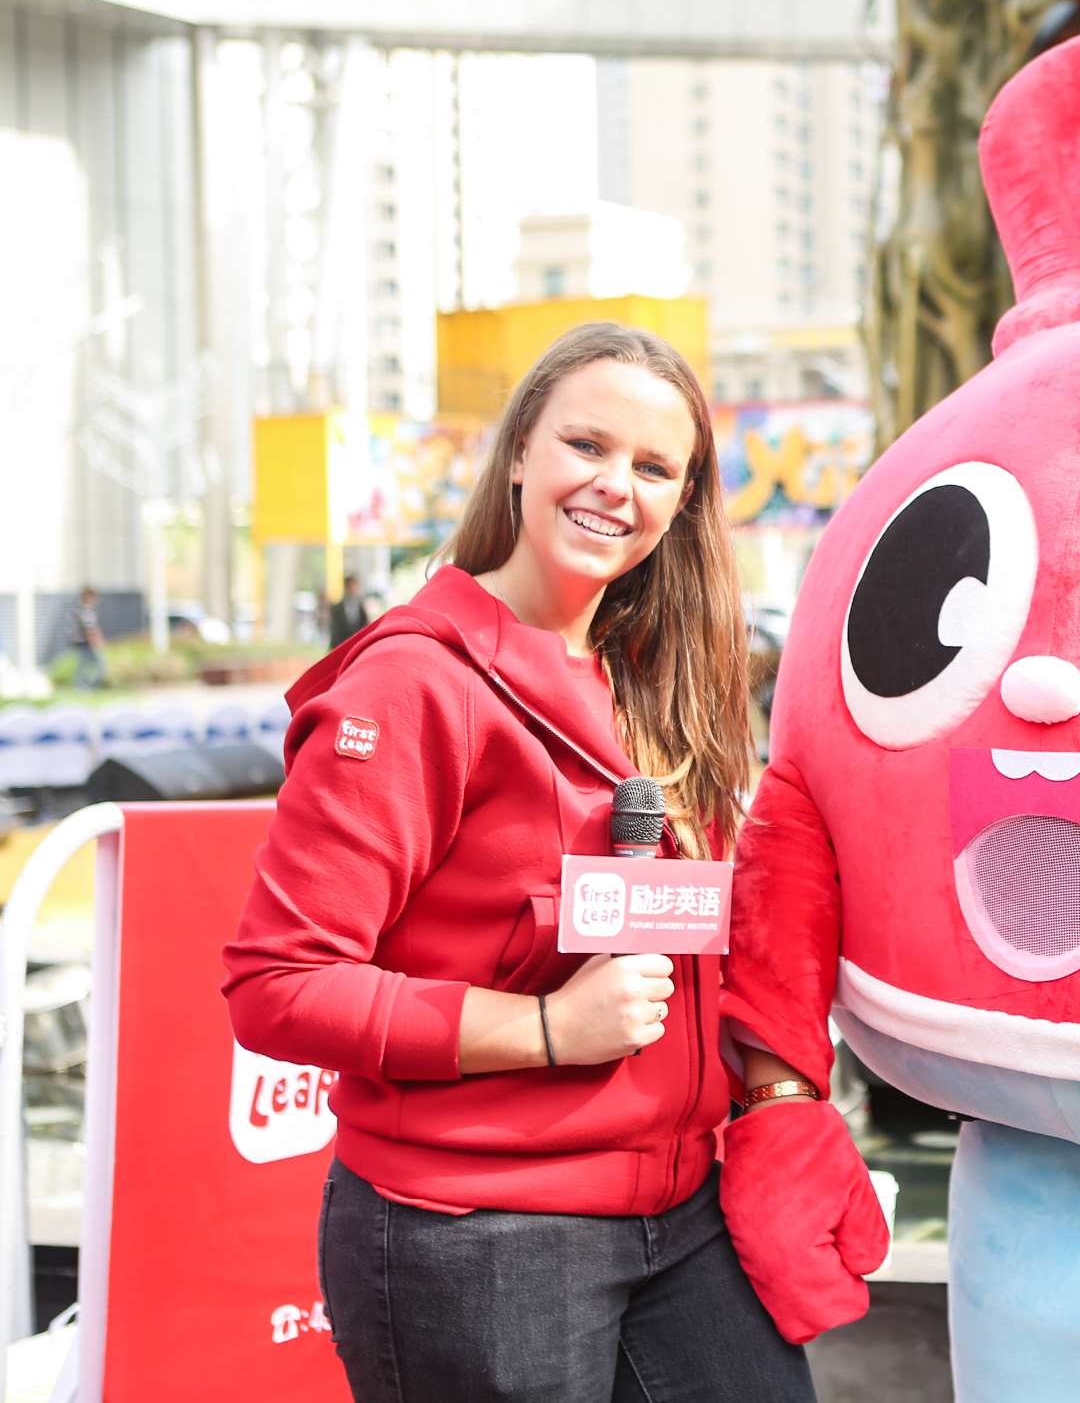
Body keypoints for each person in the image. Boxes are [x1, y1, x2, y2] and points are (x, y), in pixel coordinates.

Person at [223, 322, 867, 1401]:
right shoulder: (413, 685)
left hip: (684, 1212)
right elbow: (277, 985)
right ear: (520, 449)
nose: (616, 484)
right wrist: (548, 1028)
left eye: (655, 467)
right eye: (588, 445)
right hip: (481, 1232)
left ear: (684, 502)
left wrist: (779, 1098)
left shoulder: (658, 686)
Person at [66, 587, 106, 690]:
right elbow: (88, 629)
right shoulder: (83, 610)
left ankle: (85, 686)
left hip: (84, 643)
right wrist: (94, 643)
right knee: (97, 664)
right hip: (85, 643)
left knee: (85, 665)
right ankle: (85, 686)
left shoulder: (83, 609)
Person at [328, 574, 373, 649]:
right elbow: (335, 629)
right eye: (350, 586)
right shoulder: (337, 608)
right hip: (342, 644)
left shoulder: (361, 606)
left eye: (354, 586)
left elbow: (364, 624)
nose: (353, 589)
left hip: (358, 644)